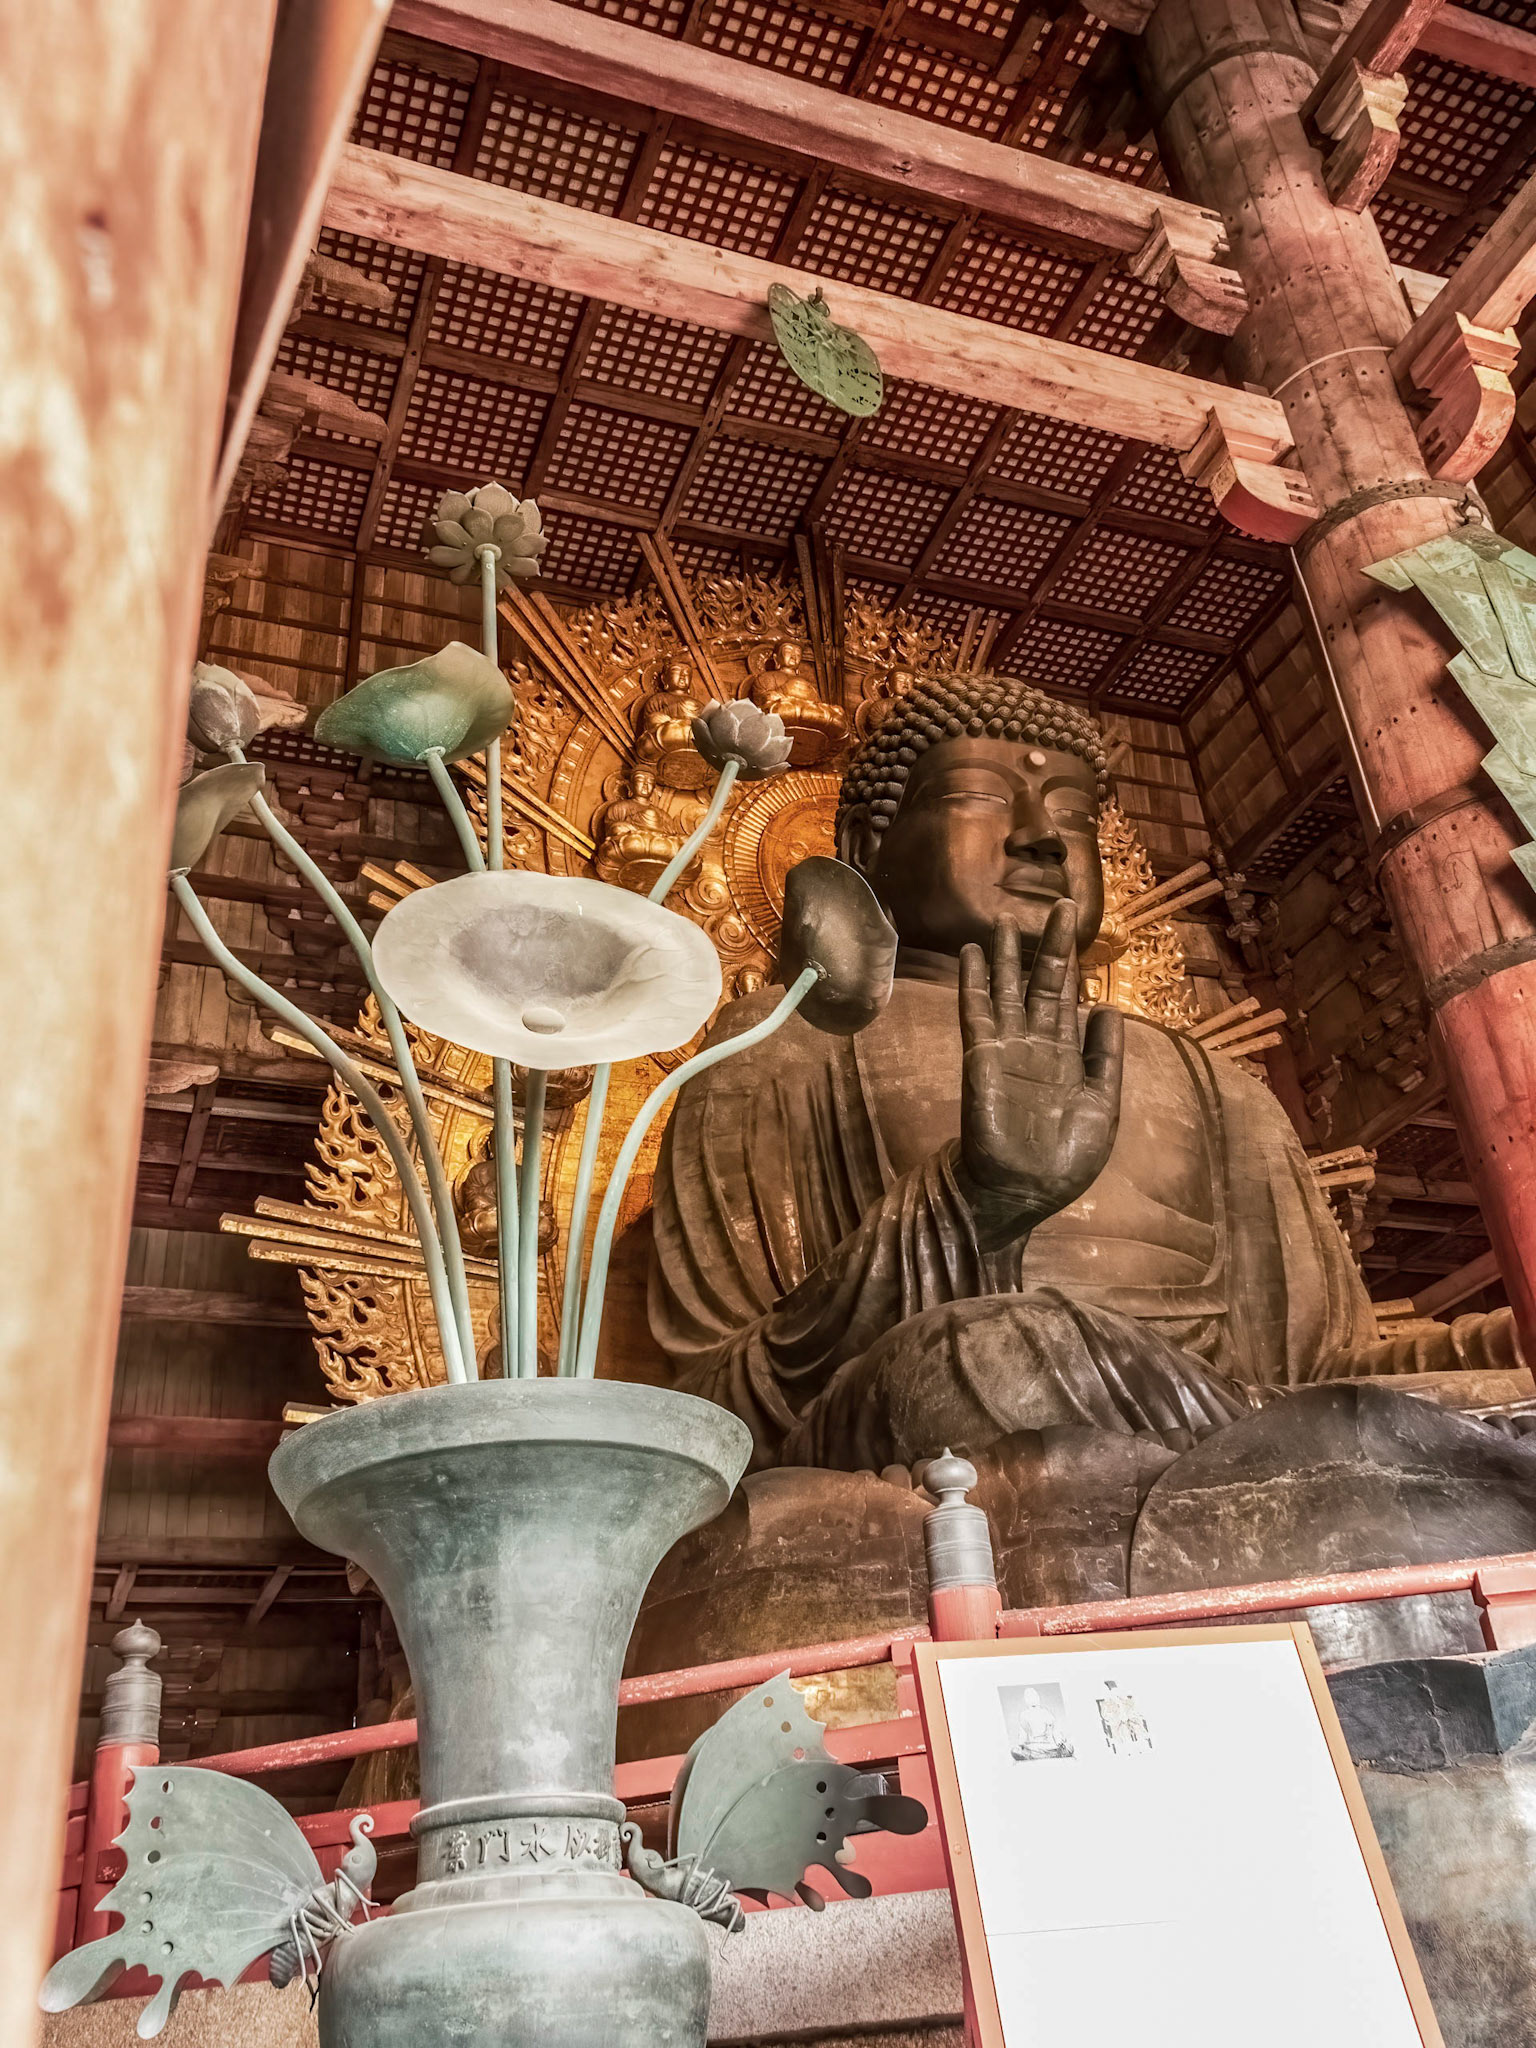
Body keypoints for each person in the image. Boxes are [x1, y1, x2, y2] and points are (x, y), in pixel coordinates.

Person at [649, 670, 1518, 1476]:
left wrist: (1499, 1347)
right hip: (964, 1418)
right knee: (992, 1356)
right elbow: (710, 1415)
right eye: (984, 799)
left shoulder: (1216, 1087)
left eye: (1072, 816)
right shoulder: (778, 1046)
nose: (1040, 840)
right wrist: (969, 1204)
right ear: (864, 840)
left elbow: (1332, 1374)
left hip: (1248, 1425)